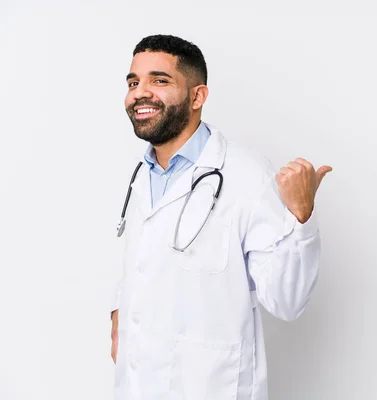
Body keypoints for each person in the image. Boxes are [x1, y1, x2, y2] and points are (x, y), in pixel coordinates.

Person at [109, 34, 331, 400]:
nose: (140, 92)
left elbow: (287, 301)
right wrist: (119, 310)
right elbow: (148, 264)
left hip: (210, 387)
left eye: (159, 80)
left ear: (197, 97)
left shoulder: (247, 176)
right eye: (134, 82)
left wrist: (301, 215)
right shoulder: (143, 174)